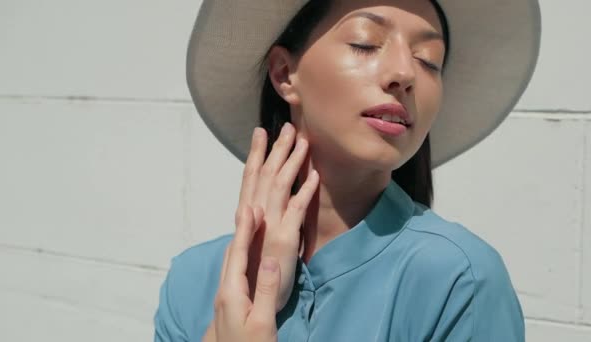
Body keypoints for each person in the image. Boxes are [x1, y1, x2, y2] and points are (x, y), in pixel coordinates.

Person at [155, 0, 541, 341]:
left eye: (429, 60)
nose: (404, 73)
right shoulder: (193, 280)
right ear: (284, 74)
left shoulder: (457, 281)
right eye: (365, 42)